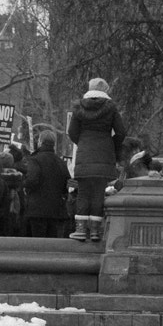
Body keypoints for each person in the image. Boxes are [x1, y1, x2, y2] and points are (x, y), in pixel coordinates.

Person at [65, 79, 126, 241]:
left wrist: (83, 142)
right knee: (99, 193)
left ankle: (80, 230)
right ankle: (94, 231)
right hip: (104, 155)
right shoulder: (111, 108)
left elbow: (72, 132)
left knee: (83, 192)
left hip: (84, 154)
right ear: (106, 89)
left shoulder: (79, 107)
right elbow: (121, 132)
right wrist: (110, 145)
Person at [23, 134, 72, 238]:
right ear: (53, 145)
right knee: (52, 242)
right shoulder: (61, 162)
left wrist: (24, 184)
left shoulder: (35, 160)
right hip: (56, 210)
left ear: (40, 142)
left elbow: (32, 180)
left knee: (38, 241)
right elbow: (66, 184)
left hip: (37, 209)